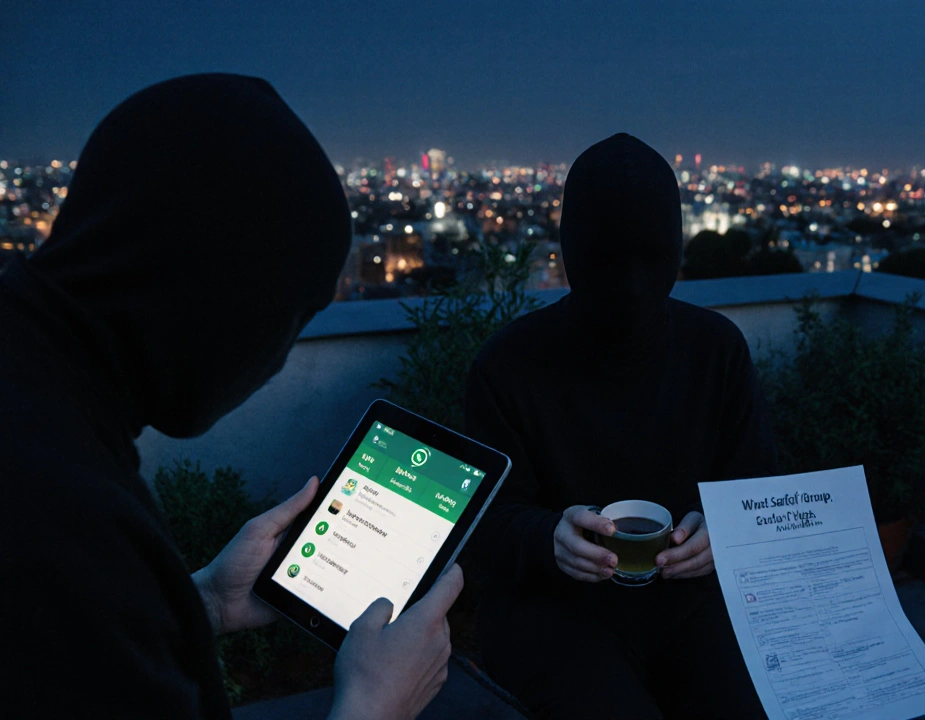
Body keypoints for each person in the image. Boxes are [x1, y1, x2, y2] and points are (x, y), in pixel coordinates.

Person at [1, 74, 461, 719]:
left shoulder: (37, 405)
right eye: (287, 321)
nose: (276, 362)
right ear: (222, 303)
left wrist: (203, 603)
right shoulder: (65, 524)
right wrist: (375, 703)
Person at [464, 133, 775, 719]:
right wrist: (548, 538)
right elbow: (482, 519)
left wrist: (720, 530)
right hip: (552, 611)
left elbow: (754, 483)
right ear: (572, 251)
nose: (632, 283)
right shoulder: (508, 365)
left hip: (694, 601)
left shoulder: (717, 350)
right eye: (607, 260)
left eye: (651, 257)